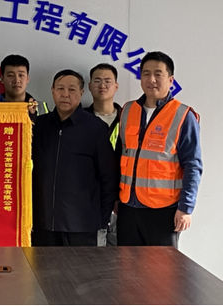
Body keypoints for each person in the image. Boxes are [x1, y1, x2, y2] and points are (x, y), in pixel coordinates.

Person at [117, 51, 202, 248]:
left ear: (170, 80)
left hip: (164, 211)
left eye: (158, 74)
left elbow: (193, 165)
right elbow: (120, 155)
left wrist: (186, 208)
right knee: (126, 264)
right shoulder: (128, 110)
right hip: (128, 207)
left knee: (161, 266)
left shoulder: (183, 115)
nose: (151, 79)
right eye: (146, 74)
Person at [31, 69, 119, 246]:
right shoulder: (39, 126)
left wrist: (101, 219)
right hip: (43, 225)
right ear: (52, 91)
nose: (65, 94)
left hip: (82, 227)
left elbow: (109, 178)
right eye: (60, 89)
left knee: (82, 266)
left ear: (81, 92)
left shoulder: (95, 128)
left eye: (71, 90)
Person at [85, 63, 122, 246]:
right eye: (97, 81)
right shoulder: (80, 119)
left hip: (122, 202)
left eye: (108, 81)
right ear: (89, 86)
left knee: (121, 256)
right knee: (94, 256)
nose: (102, 85)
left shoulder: (128, 119)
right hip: (90, 202)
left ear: (116, 86)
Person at [0, 54, 41, 121]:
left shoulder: (41, 109)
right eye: (10, 75)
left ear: (27, 78)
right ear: (2, 78)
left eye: (21, 75)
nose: (16, 80)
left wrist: (32, 116)